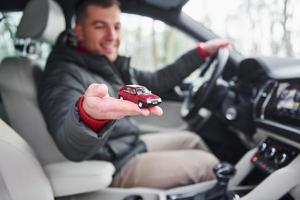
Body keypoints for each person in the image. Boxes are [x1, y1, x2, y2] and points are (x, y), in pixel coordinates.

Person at [38, 0, 230, 189]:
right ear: (79, 31)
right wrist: (90, 118)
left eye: (116, 27)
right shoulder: (62, 74)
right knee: (210, 166)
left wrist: (201, 53)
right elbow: (70, 143)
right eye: (99, 26)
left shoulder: (103, 64)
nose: (111, 36)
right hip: (114, 164)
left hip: (128, 145)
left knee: (193, 140)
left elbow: (158, 80)